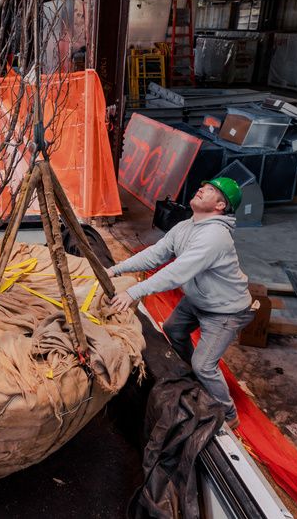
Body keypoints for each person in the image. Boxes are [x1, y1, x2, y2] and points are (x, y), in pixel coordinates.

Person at [107, 178, 252, 429]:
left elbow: (177, 272)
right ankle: (194, 378)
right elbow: (156, 254)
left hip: (224, 310)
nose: (201, 188)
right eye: (203, 185)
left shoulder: (215, 237)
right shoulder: (187, 226)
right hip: (199, 299)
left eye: (210, 190)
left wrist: (134, 292)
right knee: (174, 330)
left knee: (205, 366)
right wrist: (117, 269)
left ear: (220, 205)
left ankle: (228, 415)